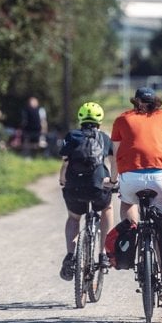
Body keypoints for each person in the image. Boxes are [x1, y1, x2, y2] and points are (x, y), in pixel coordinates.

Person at [109, 87, 162, 309]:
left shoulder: (123, 119)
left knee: (127, 204)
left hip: (131, 178)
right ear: (157, 103)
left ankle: (133, 231)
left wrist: (114, 180)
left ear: (135, 103)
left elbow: (115, 157)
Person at [58, 102, 117, 281]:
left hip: (74, 187)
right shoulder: (104, 138)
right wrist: (113, 181)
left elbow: (66, 163)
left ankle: (71, 254)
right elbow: (114, 162)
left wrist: (62, 180)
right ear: (100, 120)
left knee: (74, 217)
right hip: (97, 186)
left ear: (80, 119)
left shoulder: (71, 136)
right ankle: (103, 254)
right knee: (107, 208)